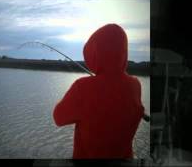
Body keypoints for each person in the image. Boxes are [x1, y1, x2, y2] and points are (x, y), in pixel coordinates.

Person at [53, 24, 144, 159]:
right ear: (124, 52)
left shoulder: (82, 87)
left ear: (94, 53)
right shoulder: (135, 85)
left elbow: (58, 117)